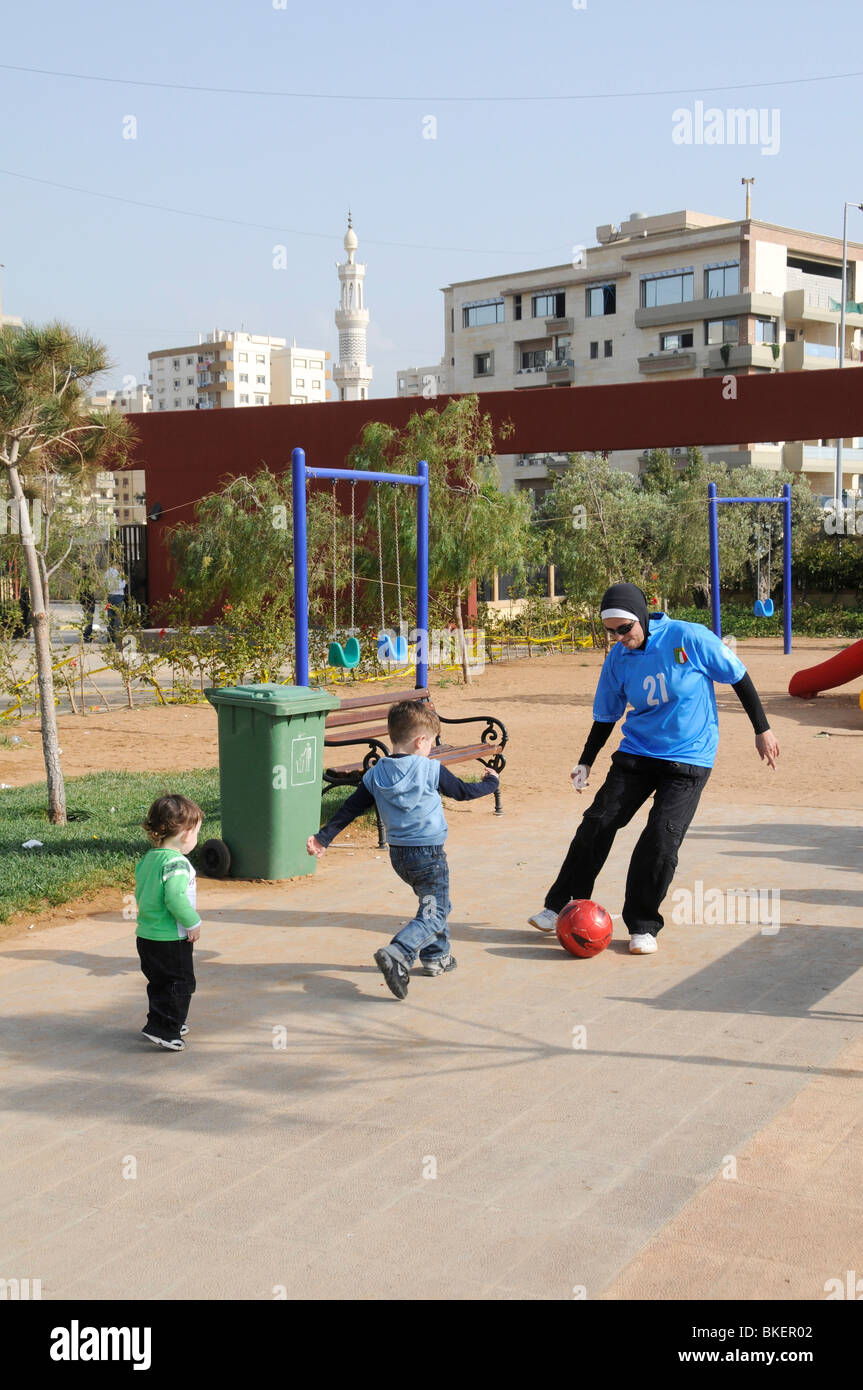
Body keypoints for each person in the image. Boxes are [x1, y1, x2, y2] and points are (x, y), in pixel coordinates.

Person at [528, 582, 779, 954]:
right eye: (610, 631)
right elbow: (606, 716)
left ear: (641, 617)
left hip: (689, 758)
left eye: (625, 628)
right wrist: (586, 761)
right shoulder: (617, 659)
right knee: (598, 822)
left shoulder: (687, 637)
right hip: (638, 753)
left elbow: (737, 674)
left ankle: (643, 924)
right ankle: (560, 905)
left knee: (660, 838)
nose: (618, 637)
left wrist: (763, 729)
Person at [307, 700, 499, 998]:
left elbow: (350, 809)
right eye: (432, 743)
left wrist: (324, 838)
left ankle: (437, 956)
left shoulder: (374, 775)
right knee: (435, 912)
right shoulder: (430, 769)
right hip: (429, 855)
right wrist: (491, 783)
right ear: (421, 741)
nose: (432, 749)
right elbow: (463, 792)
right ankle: (399, 952)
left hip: (399, 857)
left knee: (432, 904)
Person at [134, 794, 203, 1050]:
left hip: (146, 936)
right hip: (171, 938)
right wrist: (193, 922)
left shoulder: (149, 860)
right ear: (185, 833)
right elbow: (174, 898)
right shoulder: (177, 863)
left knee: (160, 982)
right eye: (196, 832)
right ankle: (165, 1029)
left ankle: (166, 1020)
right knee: (181, 983)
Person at [103, 560, 127, 646]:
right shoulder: (117, 574)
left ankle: (110, 637)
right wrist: (124, 582)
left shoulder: (106, 573)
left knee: (110, 617)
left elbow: (104, 584)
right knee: (118, 617)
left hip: (110, 596)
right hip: (117, 596)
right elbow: (119, 586)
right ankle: (117, 637)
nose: (121, 568)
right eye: (121, 566)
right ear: (117, 565)